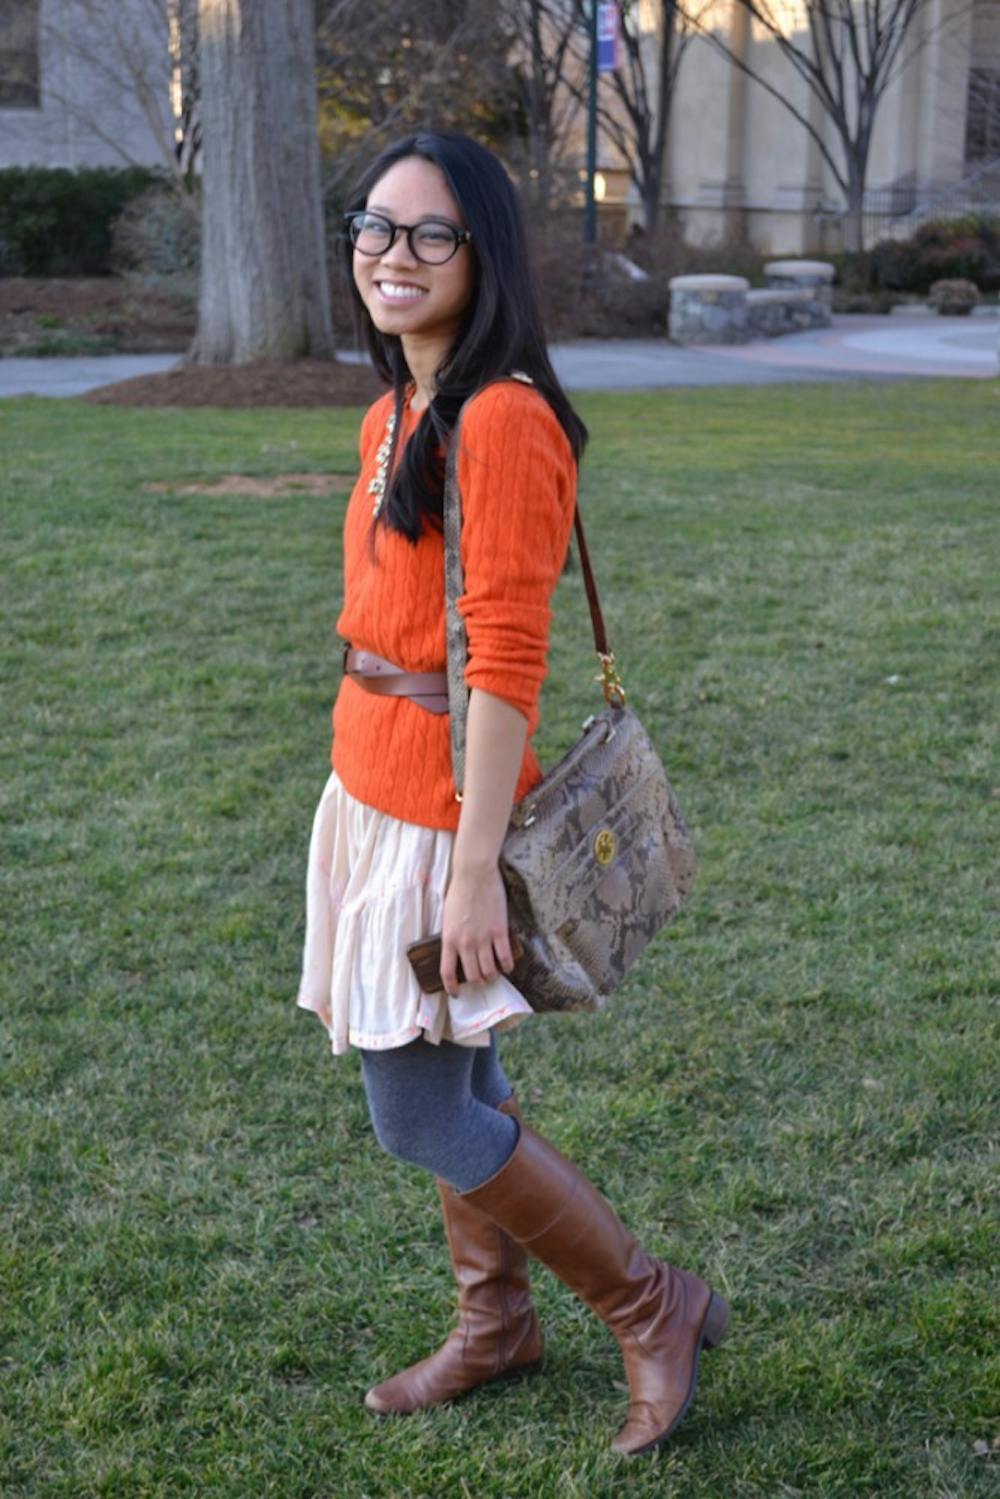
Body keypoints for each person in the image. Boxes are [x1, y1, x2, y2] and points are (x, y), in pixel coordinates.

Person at [296, 130, 728, 1457]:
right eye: (375, 225)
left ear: (486, 255)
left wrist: (476, 867)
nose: (393, 253)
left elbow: (503, 669)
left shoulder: (506, 419)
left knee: (418, 1105)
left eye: (430, 232)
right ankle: (497, 1324)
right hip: (371, 798)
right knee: (462, 1077)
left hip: (445, 817)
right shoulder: (393, 413)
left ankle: (648, 1306)